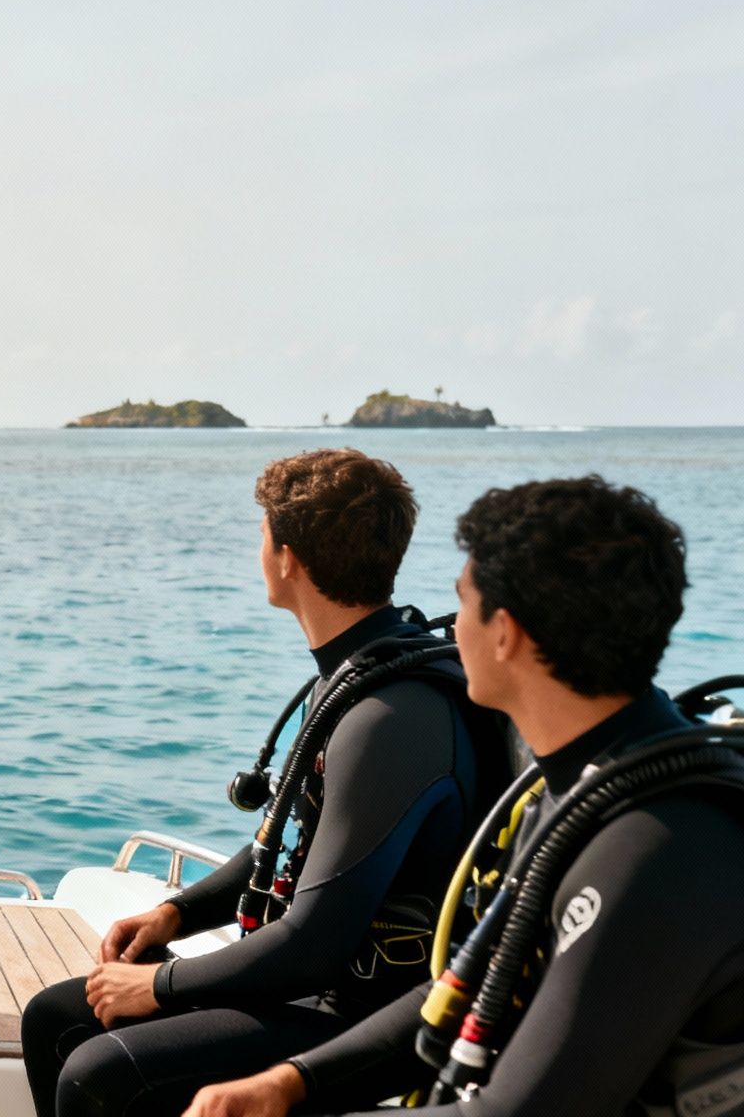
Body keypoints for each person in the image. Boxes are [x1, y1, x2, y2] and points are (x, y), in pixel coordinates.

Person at [184, 476, 744, 1117]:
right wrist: (292, 1081)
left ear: (503, 633)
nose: (451, 630)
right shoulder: (578, 788)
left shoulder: (657, 846)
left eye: (463, 603)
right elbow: (466, 987)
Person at [21, 449, 500, 1116]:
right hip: (319, 986)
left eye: (263, 536)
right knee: (56, 1016)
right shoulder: (356, 678)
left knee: (98, 1072)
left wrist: (160, 985)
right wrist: (177, 913)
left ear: (288, 559)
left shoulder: (388, 716)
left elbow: (311, 946)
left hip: (367, 1015)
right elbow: (297, 835)